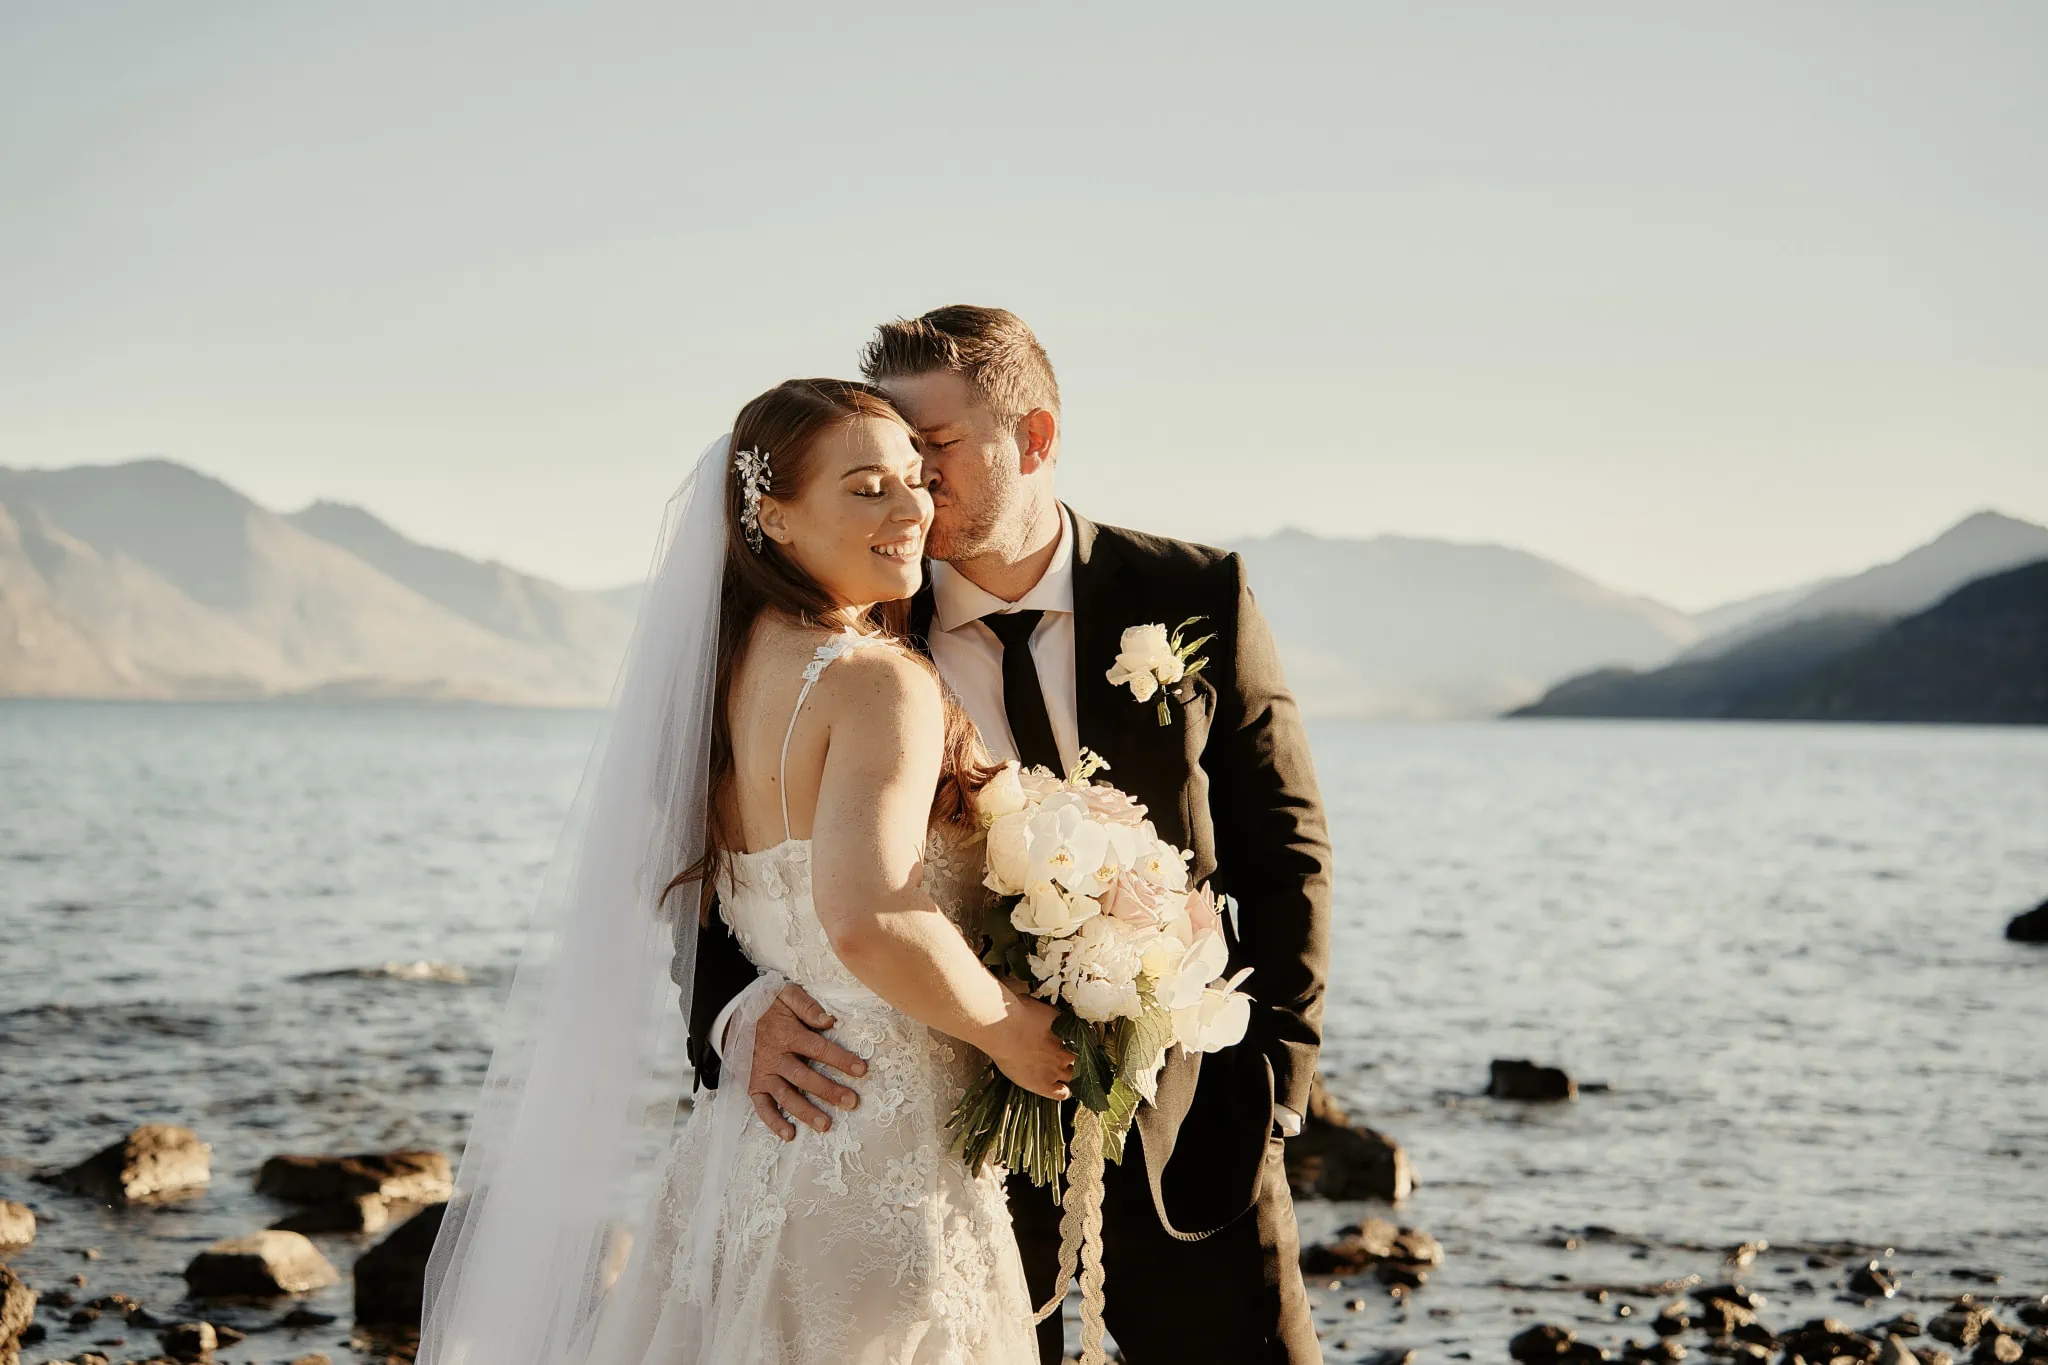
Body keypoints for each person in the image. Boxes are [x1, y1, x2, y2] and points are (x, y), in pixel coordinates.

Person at [690, 307, 1334, 1364]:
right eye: (888, 456)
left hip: (1184, 1111)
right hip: (945, 1127)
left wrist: (1280, 1085)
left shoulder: (1190, 592)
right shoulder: (856, 623)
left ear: (1032, 439)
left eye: (932, 449)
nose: (910, 485)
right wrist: (734, 1008)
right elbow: (715, 848)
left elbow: (1284, 849)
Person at [420, 378, 1068, 1365]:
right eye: (865, 489)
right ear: (771, 515)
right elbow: (866, 919)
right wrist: (1012, 1030)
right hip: (879, 1150)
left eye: (913, 480)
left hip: (757, 1144)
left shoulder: (722, 677)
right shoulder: (878, 679)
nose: (909, 510)